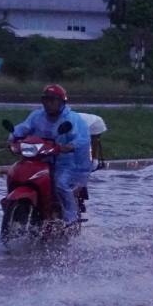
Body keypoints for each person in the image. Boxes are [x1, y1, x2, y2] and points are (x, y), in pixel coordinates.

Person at [9, 84, 91, 226]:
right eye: (46, 100)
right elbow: (24, 128)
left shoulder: (71, 119)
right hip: (39, 159)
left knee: (60, 184)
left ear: (61, 102)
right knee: (16, 173)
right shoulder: (37, 116)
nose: (49, 103)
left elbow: (82, 138)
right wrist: (12, 138)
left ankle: (70, 218)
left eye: (52, 100)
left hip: (65, 163)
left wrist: (70, 146)